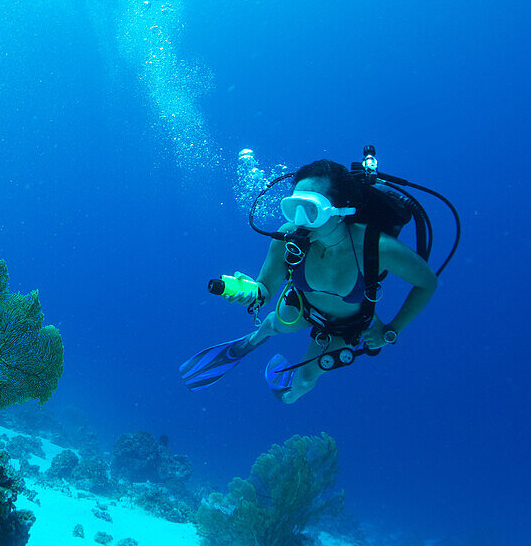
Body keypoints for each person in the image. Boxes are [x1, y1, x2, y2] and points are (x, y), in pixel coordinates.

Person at [182, 159, 438, 403]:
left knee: (304, 380)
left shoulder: (377, 248)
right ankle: (250, 342)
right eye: (294, 208)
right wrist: (253, 291)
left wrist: (391, 330)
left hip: (347, 326)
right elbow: (266, 288)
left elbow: (428, 283)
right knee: (271, 324)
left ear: (342, 211)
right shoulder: (288, 238)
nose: (300, 221)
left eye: (311, 210)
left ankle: (286, 396)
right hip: (301, 306)